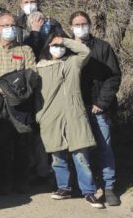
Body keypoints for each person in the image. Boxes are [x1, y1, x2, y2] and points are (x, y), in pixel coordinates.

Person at [33, 32, 104, 208]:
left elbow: (85, 51)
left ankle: (89, 191)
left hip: (74, 114)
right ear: (47, 47)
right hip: (50, 116)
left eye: (61, 45)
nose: (58, 48)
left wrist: (64, 40)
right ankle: (63, 187)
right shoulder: (39, 67)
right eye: (54, 44)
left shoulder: (73, 63)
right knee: (57, 155)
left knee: (81, 155)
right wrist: (40, 116)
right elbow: (36, 96)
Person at [70, 11, 122, 206]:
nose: (80, 27)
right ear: (70, 27)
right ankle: (87, 187)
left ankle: (109, 187)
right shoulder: (66, 48)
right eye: (76, 24)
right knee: (80, 149)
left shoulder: (103, 48)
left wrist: (102, 103)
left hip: (99, 107)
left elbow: (114, 77)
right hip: (75, 108)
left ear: (90, 25)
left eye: (84, 23)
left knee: (104, 147)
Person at [0, 12, 36, 194]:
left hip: (21, 100)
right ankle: (4, 182)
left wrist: (17, 90)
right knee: (1, 143)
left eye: (12, 25)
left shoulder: (25, 50)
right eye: (5, 26)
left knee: (22, 142)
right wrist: (1, 89)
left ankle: (21, 181)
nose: (9, 29)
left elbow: (31, 73)